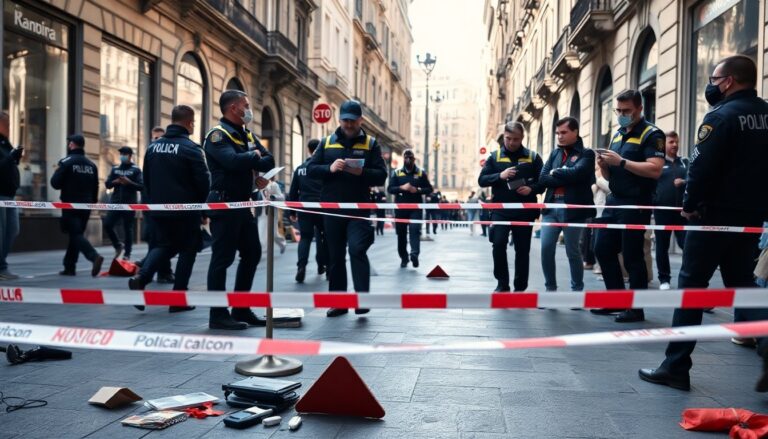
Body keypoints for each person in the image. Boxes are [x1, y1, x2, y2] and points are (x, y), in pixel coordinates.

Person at [639, 55, 768, 392]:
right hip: (750, 218)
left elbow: (701, 168)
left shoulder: (721, 117)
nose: (711, 84)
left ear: (729, 81)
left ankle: (675, 365)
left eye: (714, 78)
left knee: (692, 287)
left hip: (713, 217)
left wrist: (690, 204)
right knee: (743, 287)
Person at [308, 99, 387, 317]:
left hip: (359, 209)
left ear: (361, 120)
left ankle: (361, 299)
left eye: (353, 121)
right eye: (345, 120)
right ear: (339, 119)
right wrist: (329, 168)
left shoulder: (371, 144)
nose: (349, 125)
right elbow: (311, 169)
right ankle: (339, 303)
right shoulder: (326, 143)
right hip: (332, 210)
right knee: (335, 256)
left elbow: (381, 174)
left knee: (357, 249)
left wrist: (362, 173)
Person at [592, 90, 665, 322]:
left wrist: (621, 161)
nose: (622, 115)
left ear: (639, 109)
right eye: (618, 111)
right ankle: (615, 300)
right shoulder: (617, 134)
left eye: (627, 111)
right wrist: (604, 164)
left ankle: (636, 308)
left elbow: (655, 169)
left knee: (633, 255)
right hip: (615, 200)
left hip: (636, 202)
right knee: (602, 248)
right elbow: (610, 173)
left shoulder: (652, 134)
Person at [128, 105, 209, 313]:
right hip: (186, 211)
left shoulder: (152, 148)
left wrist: (152, 206)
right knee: (188, 251)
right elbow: (203, 183)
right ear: (189, 123)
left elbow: (147, 180)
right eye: (193, 122)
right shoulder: (192, 149)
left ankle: (141, 278)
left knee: (165, 246)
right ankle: (178, 298)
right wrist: (203, 211)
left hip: (158, 210)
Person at [205, 90, 274, 330]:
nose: (249, 109)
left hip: (243, 203)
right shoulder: (217, 135)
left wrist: (253, 162)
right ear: (233, 108)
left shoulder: (246, 134)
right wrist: (254, 156)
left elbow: (270, 160)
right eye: (246, 105)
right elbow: (231, 161)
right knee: (222, 259)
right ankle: (218, 314)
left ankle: (241, 308)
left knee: (252, 253)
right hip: (224, 204)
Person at [533, 117, 596, 293]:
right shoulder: (555, 154)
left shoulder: (587, 153)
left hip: (574, 210)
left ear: (575, 132)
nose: (560, 137)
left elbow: (579, 174)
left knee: (573, 252)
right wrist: (564, 174)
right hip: (551, 207)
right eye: (557, 133)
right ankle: (550, 290)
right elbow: (543, 178)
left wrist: (557, 173)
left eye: (564, 132)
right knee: (546, 249)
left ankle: (577, 291)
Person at [478, 122, 543, 292]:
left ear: (522, 138)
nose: (512, 142)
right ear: (504, 136)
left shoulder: (533, 157)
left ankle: (520, 287)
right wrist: (500, 175)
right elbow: (482, 180)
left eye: (516, 139)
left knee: (522, 250)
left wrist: (532, 188)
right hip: (501, 210)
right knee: (498, 244)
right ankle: (502, 284)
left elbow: (543, 182)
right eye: (508, 138)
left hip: (525, 211)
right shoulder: (495, 157)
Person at [50, 134, 104, 277]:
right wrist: (92, 202)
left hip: (70, 205)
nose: (68, 146)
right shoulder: (91, 165)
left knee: (75, 234)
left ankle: (94, 256)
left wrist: (58, 171)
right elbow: (96, 186)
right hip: (85, 206)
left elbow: (55, 183)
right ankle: (69, 266)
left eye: (69, 143)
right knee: (76, 235)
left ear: (72, 144)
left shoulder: (66, 162)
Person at [135, 126, 174, 282]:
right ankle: (150, 271)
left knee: (160, 241)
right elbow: (146, 182)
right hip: (151, 206)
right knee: (158, 241)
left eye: (159, 138)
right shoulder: (150, 153)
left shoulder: (164, 154)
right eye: (154, 138)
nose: (156, 141)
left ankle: (159, 271)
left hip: (163, 206)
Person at [652, 131, 688, 290]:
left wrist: (684, 181)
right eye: (671, 142)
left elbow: (694, 180)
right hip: (662, 212)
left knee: (687, 246)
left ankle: (686, 279)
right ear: (664, 144)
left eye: (676, 142)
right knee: (662, 246)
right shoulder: (657, 164)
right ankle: (664, 279)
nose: (675, 145)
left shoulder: (685, 162)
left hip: (683, 212)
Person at [288, 139, 327, 283]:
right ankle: (324, 266)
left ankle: (301, 267)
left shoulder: (300, 169)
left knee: (305, 238)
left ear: (309, 150)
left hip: (304, 208)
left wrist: (292, 212)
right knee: (324, 237)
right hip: (323, 208)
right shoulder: (325, 168)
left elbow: (293, 191)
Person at [387, 149, 433, 268]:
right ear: (403, 159)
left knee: (414, 230)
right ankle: (404, 257)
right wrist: (402, 187)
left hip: (415, 208)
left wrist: (417, 190)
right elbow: (390, 189)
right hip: (401, 208)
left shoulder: (420, 173)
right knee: (401, 234)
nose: (408, 160)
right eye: (406, 157)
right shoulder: (397, 173)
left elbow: (429, 189)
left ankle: (414, 255)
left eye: (410, 158)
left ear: (414, 159)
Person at [103, 146, 143, 260]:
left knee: (128, 228)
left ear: (130, 156)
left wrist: (129, 182)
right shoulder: (115, 169)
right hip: (115, 202)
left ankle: (127, 254)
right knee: (107, 224)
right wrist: (115, 182)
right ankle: (118, 245)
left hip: (129, 203)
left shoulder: (136, 170)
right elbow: (107, 184)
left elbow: (141, 187)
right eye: (121, 154)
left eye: (124, 154)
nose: (122, 156)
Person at [0, 112, 22, 280]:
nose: (9, 128)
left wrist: (15, 158)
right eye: (6, 124)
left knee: (13, 230)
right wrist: (10, 158)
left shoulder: (5, 143)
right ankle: (1, 267)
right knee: (2, 232)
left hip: (9, 195)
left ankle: (2, 263)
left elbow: (8, 164)